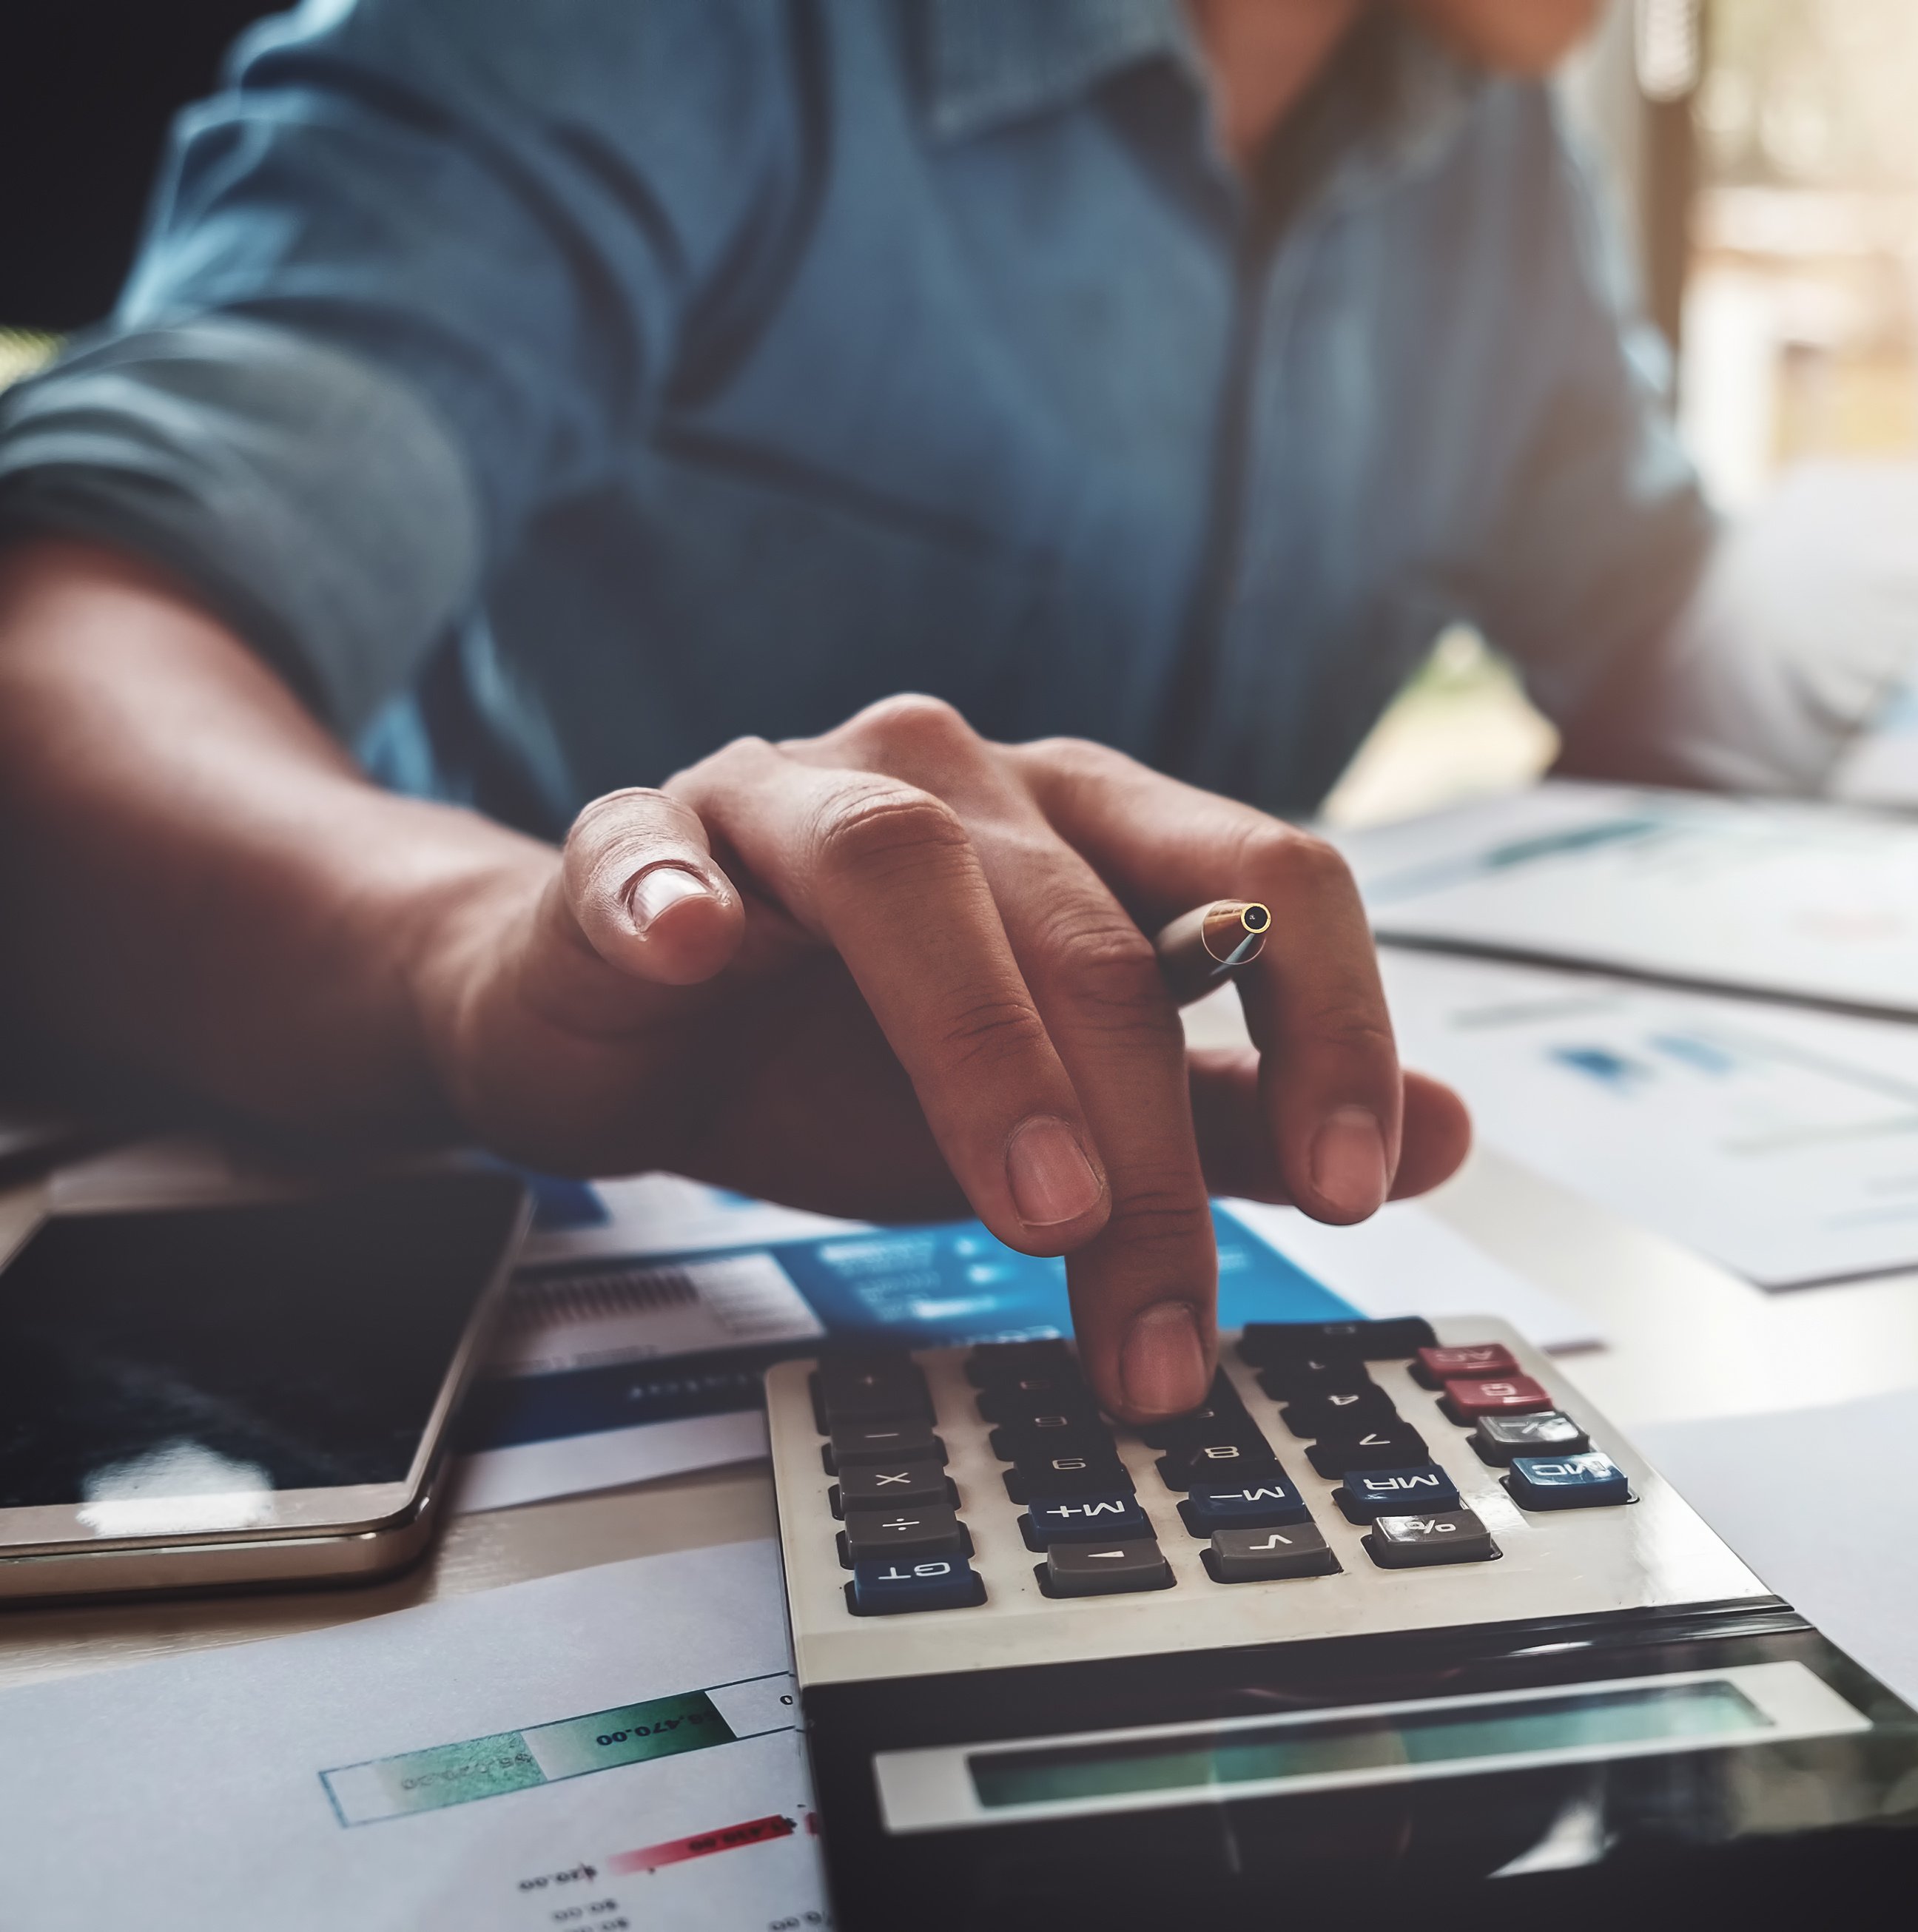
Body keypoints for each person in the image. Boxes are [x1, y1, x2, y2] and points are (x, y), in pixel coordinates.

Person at [0, 0, 1818, 1420]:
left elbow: (1659, 635)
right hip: (483, 1268)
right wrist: (471, 955)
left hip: (1112, 1299)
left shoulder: (1489, 157)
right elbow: (63, 636)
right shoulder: (654, 42)